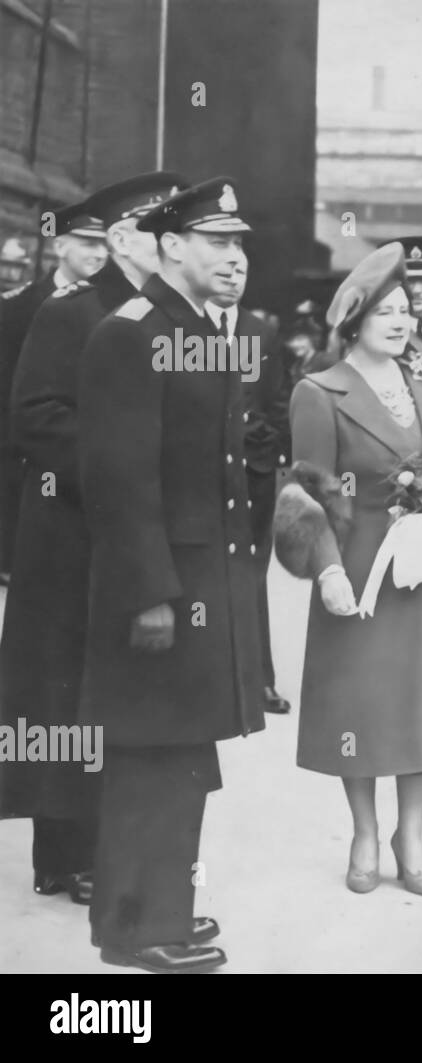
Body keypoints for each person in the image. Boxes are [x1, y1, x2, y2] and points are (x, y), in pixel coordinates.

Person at [78, 177, 267, 973]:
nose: (236, 259)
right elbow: (120, 479)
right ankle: (133, 928)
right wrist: (151, 592)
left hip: (200, 582)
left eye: (240, 244)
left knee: (181, 755)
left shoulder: (196, 328)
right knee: (146, 760)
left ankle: (165, 912)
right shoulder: (131, 332)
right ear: (171, 247)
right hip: (161, 590)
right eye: (218, 243)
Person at [0, 172, 184, 909]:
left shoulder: (166, 316)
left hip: (136, 530)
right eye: (152, 227)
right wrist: (116, 462)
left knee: (117, 688)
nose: (167, 240)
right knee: (63, 687)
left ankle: (106, 843)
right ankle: (64, 851)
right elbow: (36, 415)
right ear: (117, 240)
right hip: (69, 531)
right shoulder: (71, 314)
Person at [289, 241, 422, 894]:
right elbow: (309, 492)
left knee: (419, 700)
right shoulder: (320, 391)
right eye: (383, 311)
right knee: (360, 701)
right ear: (354, 321)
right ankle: (364, 831)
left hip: (419, 565)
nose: (399, 321)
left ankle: (410, 836)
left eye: (405, 310)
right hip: (356, 564)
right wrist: (328, 571)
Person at [0, 202, 107, 580]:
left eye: (103, 244)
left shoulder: (107, 308)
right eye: (87, 243)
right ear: (60, 246)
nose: (98, 253)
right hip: (19, 458)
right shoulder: (16, 308)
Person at [206, 260, 292, 716]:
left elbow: (278, 399)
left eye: (241, 273)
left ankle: (260, 681)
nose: (234, 279)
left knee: (252, 574)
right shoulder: (188, 327)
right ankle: (207, 679)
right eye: (224, 272)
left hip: (254, 468)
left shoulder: (261, 332)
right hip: (203, 469)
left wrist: (274, 446)